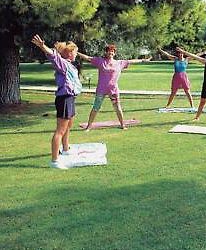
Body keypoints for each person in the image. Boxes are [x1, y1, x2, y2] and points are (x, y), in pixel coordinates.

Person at [31, 34, 82, 169]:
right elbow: (53, 56)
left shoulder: (70, 65)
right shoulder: (63, 63)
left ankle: (65, 150)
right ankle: (54, 161)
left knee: (69, 126)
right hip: (64, 99)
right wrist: (42, 46)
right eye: (75, 52)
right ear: (69, 53)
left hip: (70, 98)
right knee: (60, 130)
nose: (76, 55)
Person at [78, 45, 152, 131]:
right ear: (106, 52)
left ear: (114, 53)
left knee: (117, 108)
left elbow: (131, 61)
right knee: (96, 108)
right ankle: (89, 126)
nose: (111, 53)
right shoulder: (100, 61)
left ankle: (122, 125)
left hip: (113, 90)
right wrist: (76, 52)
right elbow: (88, 58)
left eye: (112, 51)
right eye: (109, 51)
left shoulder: (119, 63)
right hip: (101, 89)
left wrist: (143, 60)